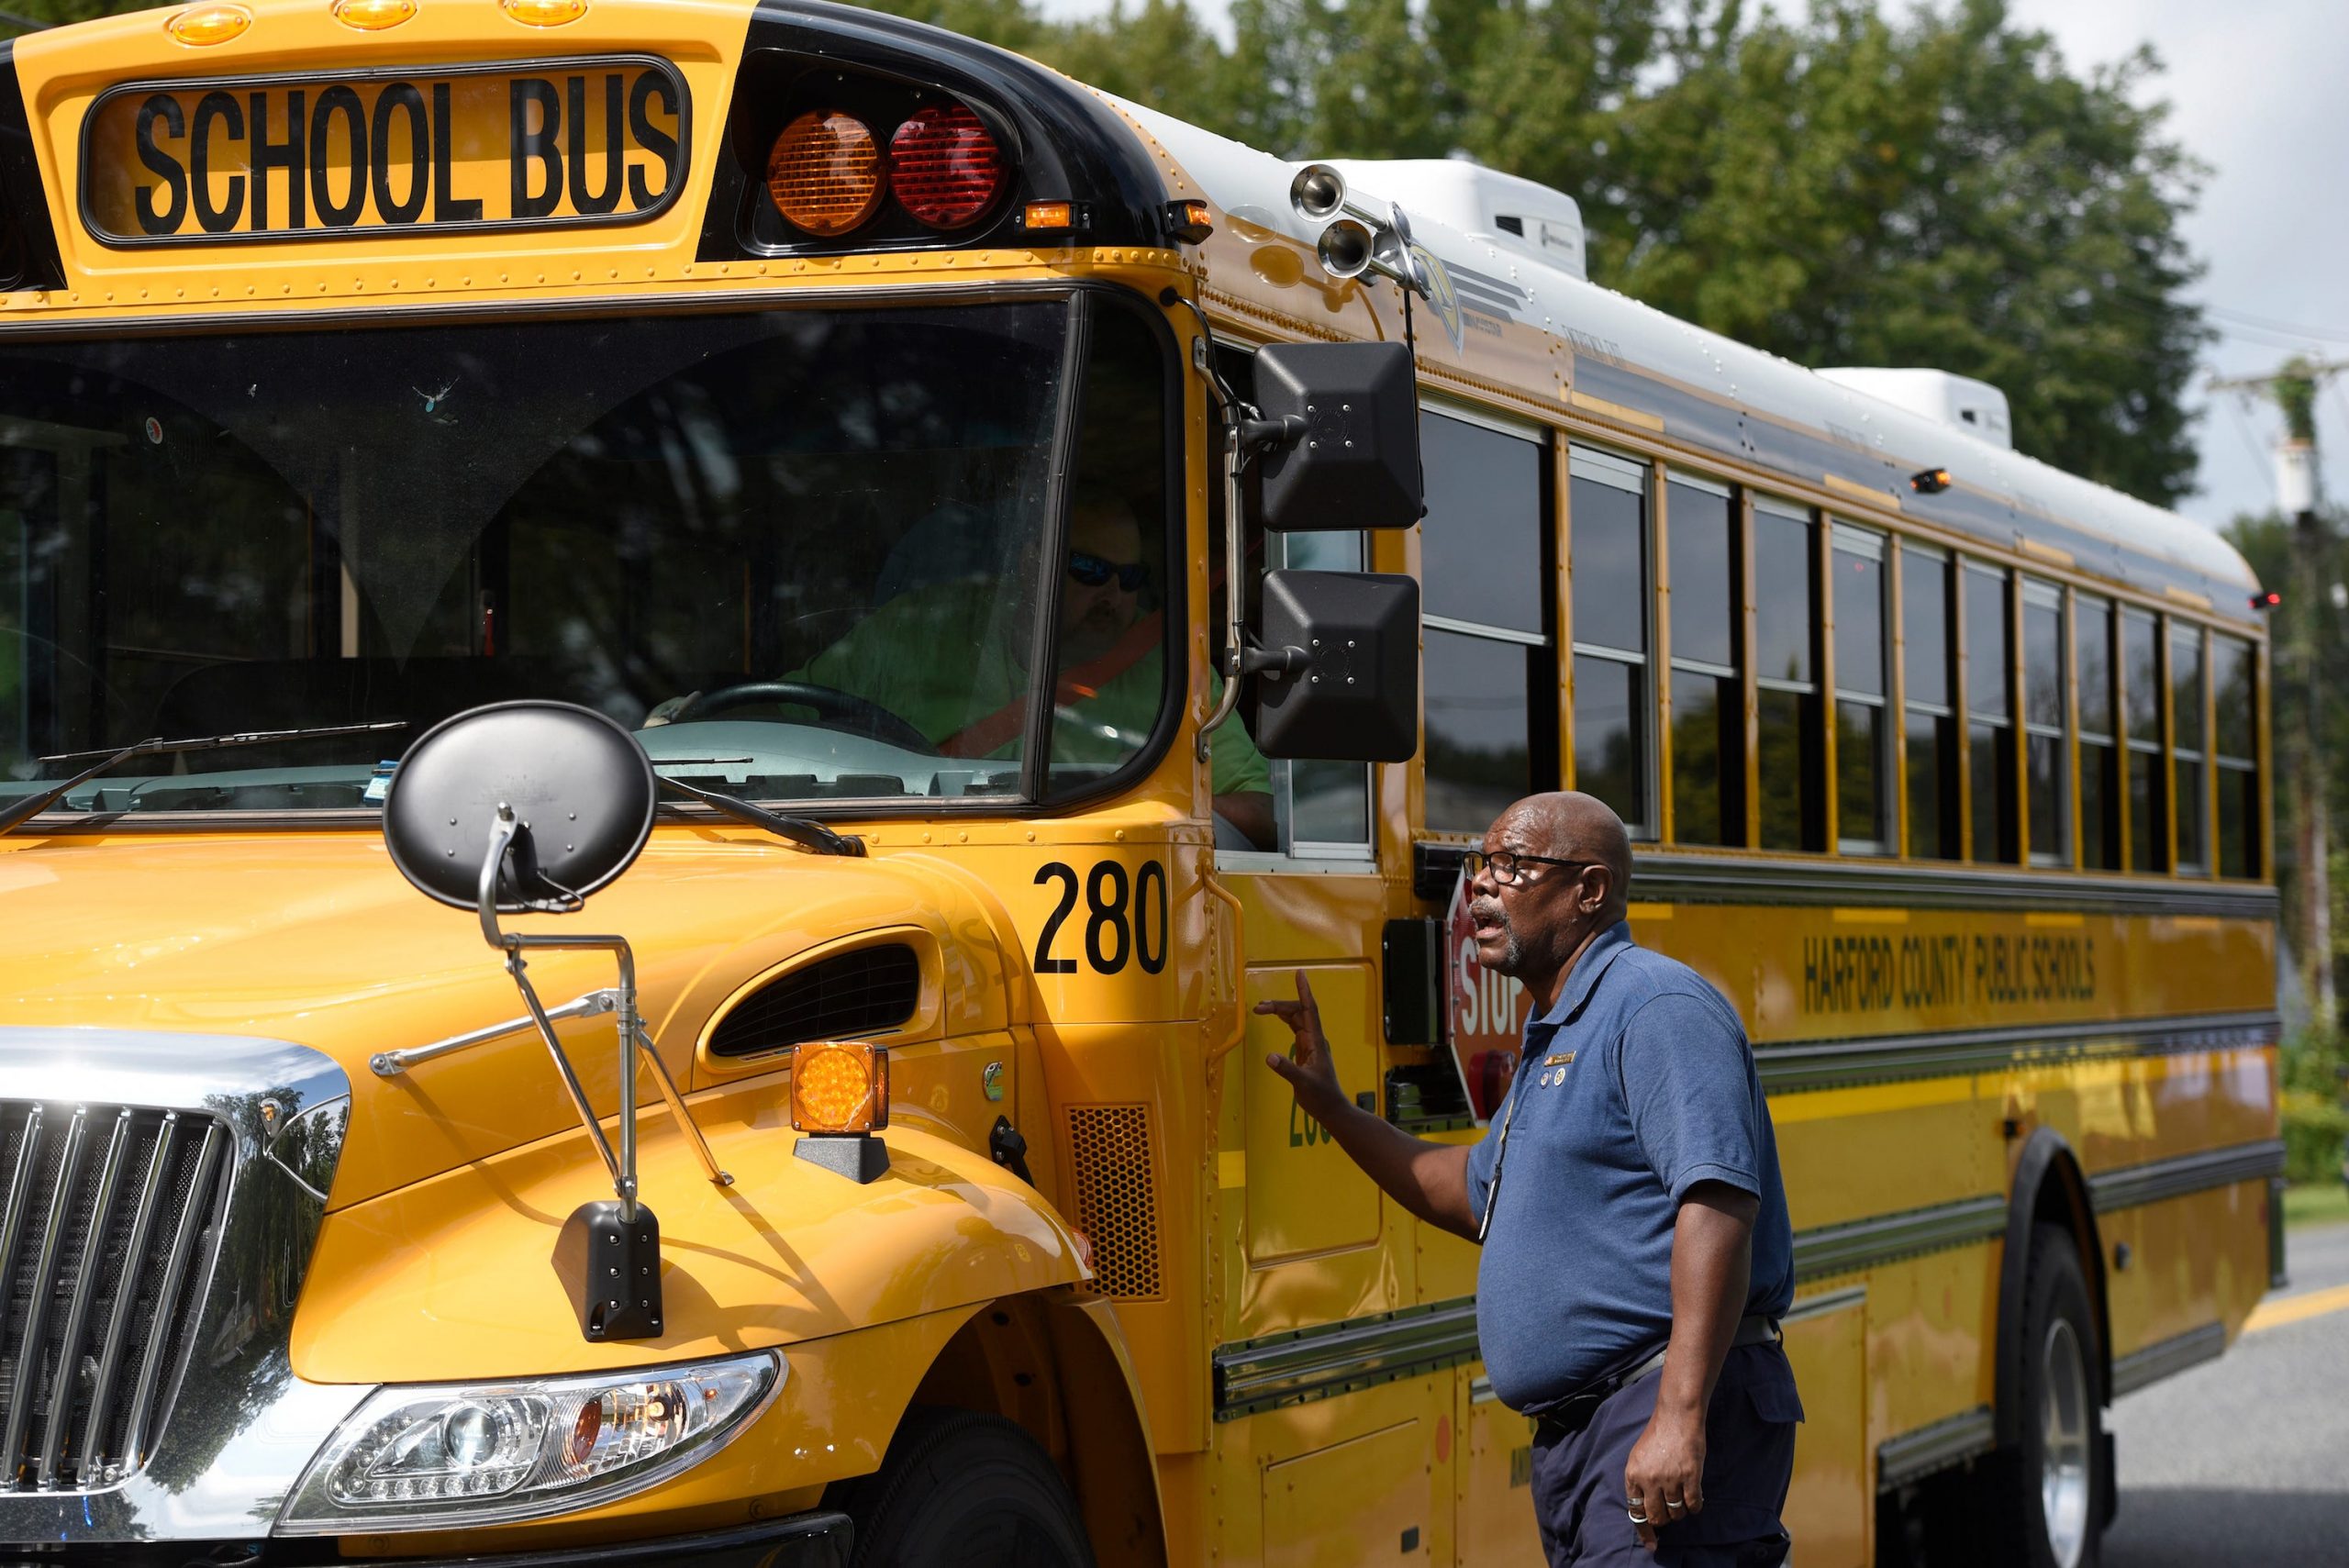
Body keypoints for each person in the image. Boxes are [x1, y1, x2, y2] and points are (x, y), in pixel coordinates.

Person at [1256, 791, 1799, 1565]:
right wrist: (1337, 1109)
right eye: (1482, 865)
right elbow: (1472, 1193)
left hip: (1654, 1403)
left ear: (1590, 890)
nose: (1482, 885)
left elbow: (1716, 1201)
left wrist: (1678, 1415)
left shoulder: (1654, 1007)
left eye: (1513, 865)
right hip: (1582, 1440)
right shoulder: (1556, 1034)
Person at [657, 494, 1276, 848]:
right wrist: (677, 734)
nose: (1116, 595)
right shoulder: (918, 629)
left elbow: (1255, 811)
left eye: (1131, 578)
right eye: (1090, 572)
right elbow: (785, 725)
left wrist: (1126, 807)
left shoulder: (1171, 668)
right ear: (1034, 563)